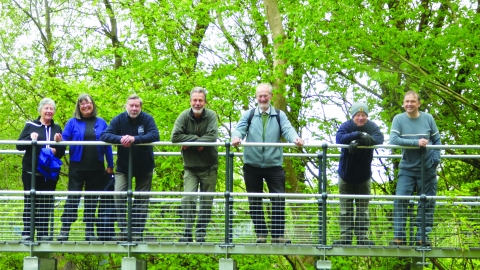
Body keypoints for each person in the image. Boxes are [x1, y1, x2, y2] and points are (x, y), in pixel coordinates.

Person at [231, 83, 304, 244]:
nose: (262, 99)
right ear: (256, 98)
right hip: (252, 165)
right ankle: (261, 234)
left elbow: (287, 129)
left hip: (273, 165)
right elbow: (239, 130)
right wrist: (236, 138)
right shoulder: (249, 115)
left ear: (270, 96)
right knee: (254, 200)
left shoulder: (279, 115)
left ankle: (278, 235)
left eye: (265, 95)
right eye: (260, 96)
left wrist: (295, 138)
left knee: (278, 199)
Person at [100, 94, 159, 241]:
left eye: (136, 106)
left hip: (144, 166)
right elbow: (105, 135)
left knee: (141, 199)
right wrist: (120, 139)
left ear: (140, 107)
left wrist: (135, 139)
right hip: (124, 166)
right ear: (126, 106)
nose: (134, 108)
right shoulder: (119, 119)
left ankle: (137, 232)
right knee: (119, 195)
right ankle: (124, 230)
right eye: (131, 105)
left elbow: (155, 135)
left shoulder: (147, 119)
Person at [55, 94, 114, 241]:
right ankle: (65, 229)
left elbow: (107, 145)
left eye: (88, 103)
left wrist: (110, 165)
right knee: (73, 198)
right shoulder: (72, 122)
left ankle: (89, 231)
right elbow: (64, 139)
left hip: (97, 167)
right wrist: (59, 140)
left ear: (93, 105)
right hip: (77, 167)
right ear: (78, 107)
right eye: (82, 104)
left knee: (92, 199)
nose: (85, 106)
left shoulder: (101, 122)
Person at [390, 91, 441, 246]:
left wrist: (436, 159)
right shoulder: (398, 119)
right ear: (403, 103)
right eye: (407, 102)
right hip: (407, 168)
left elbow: (437, 139)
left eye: (412, 101)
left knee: (426, 202)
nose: (409, 104)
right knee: (400, 200)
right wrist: (416, 142)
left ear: (419, 103)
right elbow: (394, 139)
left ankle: (422, 238)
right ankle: (399, 237)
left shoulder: (428, 118)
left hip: (427, 168)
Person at [171, 87, 218, 243]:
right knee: (188, 198)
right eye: (195, 100)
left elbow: (212, 137)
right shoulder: (184, 116)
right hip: (190, 167)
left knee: (206, 201)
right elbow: (175, 137)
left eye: (200, 100)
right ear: (190, 101)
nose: (197, 103)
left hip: (209, 166)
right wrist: (196, 141)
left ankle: (200, 233)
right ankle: (187, 231)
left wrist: (189, 142)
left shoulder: (211, 115)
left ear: (205, 101)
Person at [334, 103, 384, 246]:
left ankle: (362, 237)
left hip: (364, 175)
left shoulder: (372, 126)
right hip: (346, 175)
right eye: (358, 115)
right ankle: (346, 237)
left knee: (363, 209)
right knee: (345, 209)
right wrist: (357, 135)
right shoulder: (346, 126)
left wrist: (359, 140)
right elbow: (339, 138)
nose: (360, 118)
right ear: (353, 116)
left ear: (367, 116)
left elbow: (380, 138)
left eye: (363, 115)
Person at [16, 98, 66, 241]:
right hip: (31, 171)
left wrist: (58, 145)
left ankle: (43, 233)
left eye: (52, 109)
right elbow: (19, 145)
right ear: (40, 110)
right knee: (30, 201)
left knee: (46, 202)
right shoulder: (30, 125)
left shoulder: (57, 128)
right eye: (47, 108)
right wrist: (31, 139)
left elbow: (62, 151)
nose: (49, 111)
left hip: (49, 172)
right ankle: (28, 232)